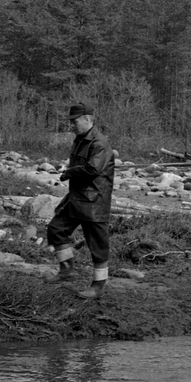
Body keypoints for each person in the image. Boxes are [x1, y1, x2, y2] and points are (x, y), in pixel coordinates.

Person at [44, 103, 114, 299]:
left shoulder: (100, 142)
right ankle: (67, 270)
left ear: (87, 119)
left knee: (98, 245)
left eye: (74, 121)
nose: (72, 125)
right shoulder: (80, 139)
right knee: (56, 229)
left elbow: (93, 169)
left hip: (94, 201)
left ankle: (98, 285)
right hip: (76, 198)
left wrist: (68, 173)